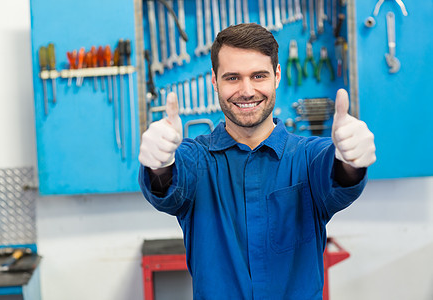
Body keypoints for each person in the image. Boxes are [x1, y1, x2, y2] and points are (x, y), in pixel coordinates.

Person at [138, 23, 376, 299]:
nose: (247, 90)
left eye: (259, 76)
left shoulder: (309, 157)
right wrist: (159, 163)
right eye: (232, 78)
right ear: (214, 81)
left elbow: (337, 176)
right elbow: (168, 185)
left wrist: (350, 159)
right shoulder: (197, 161)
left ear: (277, 76)